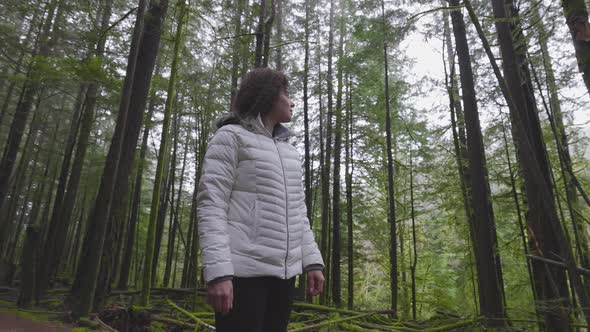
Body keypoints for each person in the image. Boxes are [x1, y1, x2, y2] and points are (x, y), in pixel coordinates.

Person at [197, 68, 325, 332]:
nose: (291, 101)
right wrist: (218, 273)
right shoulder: (230, 138)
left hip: (285, 276)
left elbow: (298, 212)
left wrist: (312, 261)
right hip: (243, 276)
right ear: (267, 96)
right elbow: (212, 206)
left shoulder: (289, 151)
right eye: (285, 93)